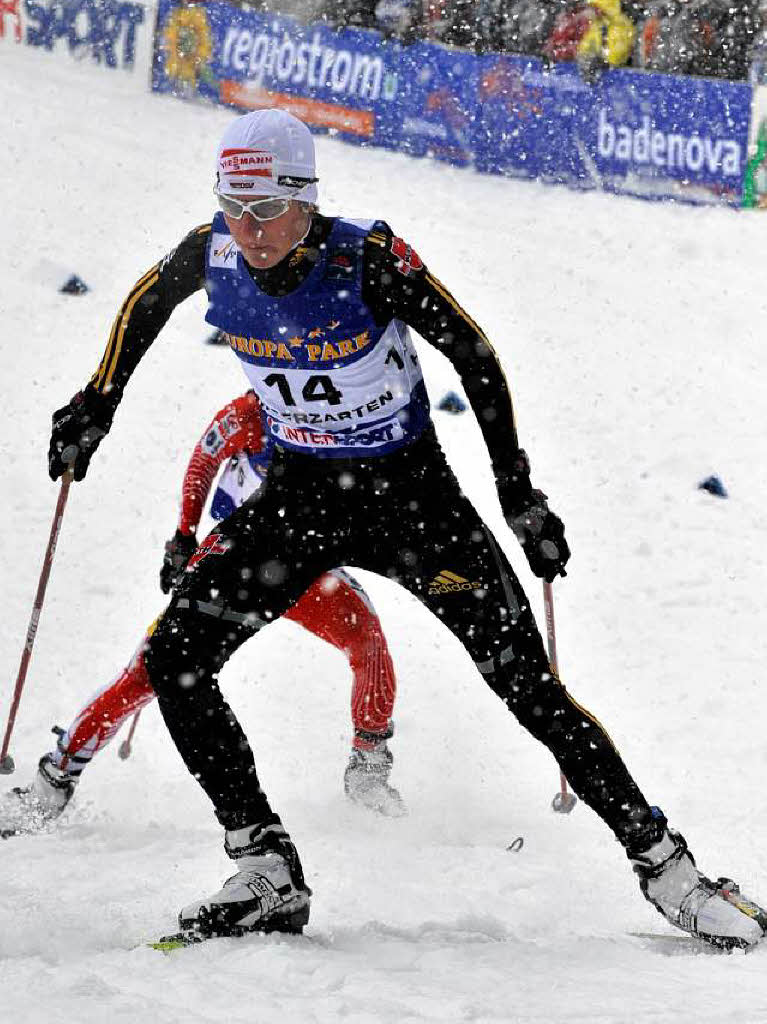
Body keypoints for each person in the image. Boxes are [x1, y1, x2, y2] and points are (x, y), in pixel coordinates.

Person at [47, 107, 766, 949]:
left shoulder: (367, 257)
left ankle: (669, 871)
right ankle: (265, 866)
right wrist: (96, 401)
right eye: (233, 208)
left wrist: (518, 494)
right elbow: (141, 306)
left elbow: (474, 351)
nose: (249, 230)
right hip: (298, 500)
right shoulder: (207, 254)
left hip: (412, 504)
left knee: (526, 688)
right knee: (175, 661)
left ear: (306, 199)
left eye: (267, 209)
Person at [3, 389, 404, 837]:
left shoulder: (348, 402)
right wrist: (184, 536)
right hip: (237, 558)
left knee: (367, 638)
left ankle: (369, 769)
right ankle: (52, 781)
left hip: (306, 566)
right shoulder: (256, 407)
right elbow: (203, 461)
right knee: (156, 668)